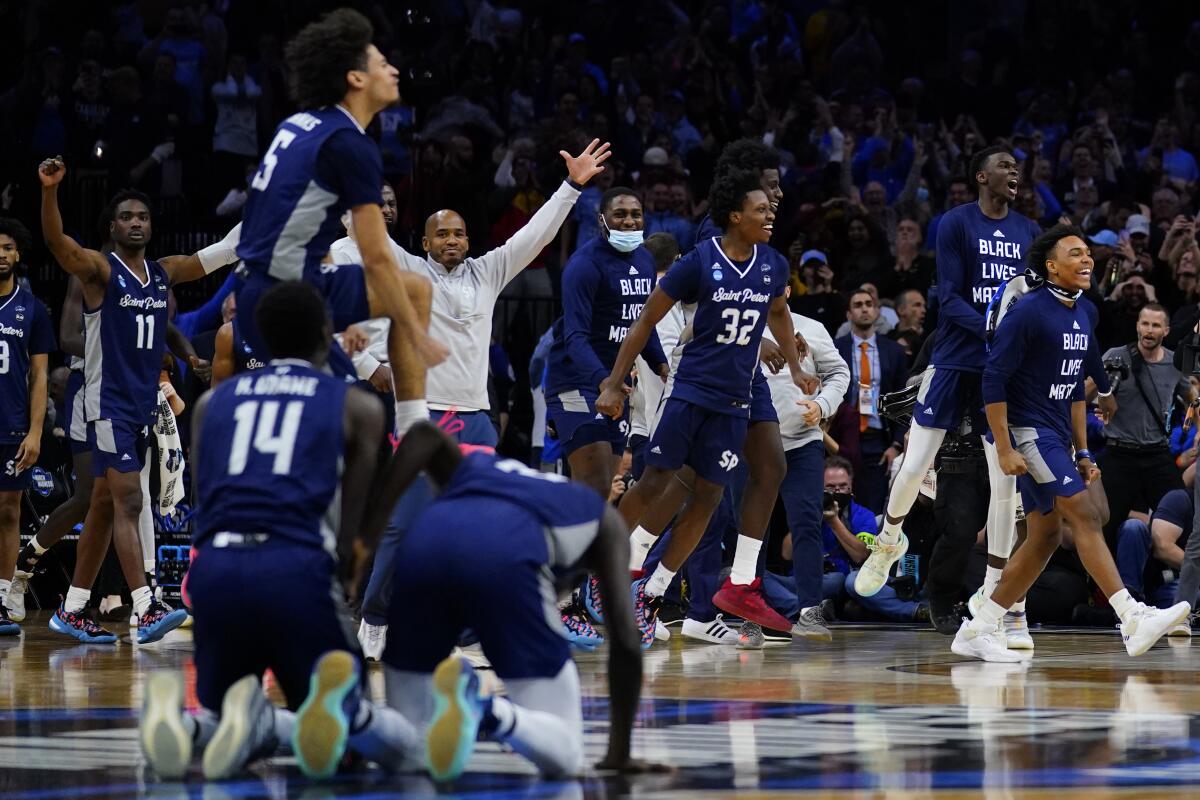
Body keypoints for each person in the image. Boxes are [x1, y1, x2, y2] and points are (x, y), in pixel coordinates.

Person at [338, 139, 611, 657]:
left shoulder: (488, 272)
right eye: (442, 233)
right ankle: (375, 619)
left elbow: (535, 236)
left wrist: (571, 187)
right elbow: (371, 236)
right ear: (423, 242)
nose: (453, 240)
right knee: (403, 528)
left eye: (460, 233)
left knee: (476, 532)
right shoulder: (408, 270)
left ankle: (466, 632)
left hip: (477, 421)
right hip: (423, 418)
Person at [139, 281, 417, 781]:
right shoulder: (355, 406)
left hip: (217, 574)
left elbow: (207, 495)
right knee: (349, 742)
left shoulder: (210, 405)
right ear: (327, 335)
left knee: (229, 722)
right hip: (294, 568)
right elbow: (356, 520)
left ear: (258, 339)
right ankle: (335, 714)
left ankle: (192, 728)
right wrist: (350, 574)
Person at [359, 421, 657, 779]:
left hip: (426, 542)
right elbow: (626, 640)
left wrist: (367, 536)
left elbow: (422, 436)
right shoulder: (605, 523)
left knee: (411, 747)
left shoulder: (486, 466)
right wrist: (619, 753)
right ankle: (485, 708)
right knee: (564, 755)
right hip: (507, 553)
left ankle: (355, 716)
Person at [953, 224, 1190, 663]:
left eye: (1088, 254)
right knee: (1084, 513)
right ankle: (1131, 616)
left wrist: (1082, 450)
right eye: (1075, 253)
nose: (1086, 260)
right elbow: (993, 379)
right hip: (1027, 433)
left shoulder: (1084, 312)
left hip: (1057, 432)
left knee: (1043, 538)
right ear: (1051, 266)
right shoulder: (1026, 312)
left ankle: (978, 628)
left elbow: (1076, 389)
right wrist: (1004, 447)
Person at [595, 168, 810, 646]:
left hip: (734, 401)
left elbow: (778, 311)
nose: (770, 213)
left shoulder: (773, 262)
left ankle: (649, 596)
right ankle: (611, 569)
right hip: (691, 390)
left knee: (711, 499)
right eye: (760, 208)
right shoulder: (699, 261)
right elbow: (645, 320)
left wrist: (795, 367)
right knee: (655, 482)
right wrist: (613, 383)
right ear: (735, 216)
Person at [233, 8, 445, 439]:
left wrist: (347, 315)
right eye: (383, 63)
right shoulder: (350, 144)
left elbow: (302, 222)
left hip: (277, 282)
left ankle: (412, 434)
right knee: (341, 423)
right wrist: (416, 336)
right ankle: (412, 438)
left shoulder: (299, 124)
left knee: (416, 288)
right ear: (356, 78)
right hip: (285, 298)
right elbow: (378, 258)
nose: (394, 69)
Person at [854, 146, 1041, 629]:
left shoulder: (1028, 232)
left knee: (1006, 480)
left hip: (1001, 370)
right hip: (957, 358)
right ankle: (889, 540)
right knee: (914, 465)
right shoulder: (956, 223)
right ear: (981, 175)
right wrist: (992, 327)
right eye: (1004, 165)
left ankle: (996, 588)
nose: (1013, 171)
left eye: (1017, 167)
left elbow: (1034, 298)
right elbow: (951, 299)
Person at [39, 160, 216, 644]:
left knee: (99, 504)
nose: (136, 222)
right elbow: (57, 243)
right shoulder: (99, 270)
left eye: (143, 216)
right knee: (129, 500)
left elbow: (218, 255)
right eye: (126, 217)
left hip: (141, 406)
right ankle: (146, 604)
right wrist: (50, 191)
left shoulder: (163, 274)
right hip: (106, 405)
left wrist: (267, 214)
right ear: (112, 227)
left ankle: (72, 608)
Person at [546, 185, 668, 499]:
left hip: (618, 382)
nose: (629, 221)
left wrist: (661, 365)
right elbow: (575, 336)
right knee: (594, 484)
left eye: (635, 214)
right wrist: (605, 382)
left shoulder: (644, 261)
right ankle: (565, 546)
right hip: (577, 380)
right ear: (602, 220)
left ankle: (585, 547)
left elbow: (643, 325)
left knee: (603, 492)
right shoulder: (584, 265)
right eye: (620, 214)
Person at [762, 295, 850, 637]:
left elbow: (839, 373)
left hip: (802, 440)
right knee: (751, 530)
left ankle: (810, 610)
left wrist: (823, 406)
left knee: (807, 522)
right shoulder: (742, 326)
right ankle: (754, 612)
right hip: (753, 441)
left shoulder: (811, 328)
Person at [1089, 305, 1192, 552]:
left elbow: (1193, 398)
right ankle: (1097, 588)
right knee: (1103, 526)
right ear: (1137, 326)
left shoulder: (1174, 363)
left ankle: (1180, 580)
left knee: (1183, 517)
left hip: (1157, 454)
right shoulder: (1116, 354)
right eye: (1145, 323)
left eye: (1156, 325)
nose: (1149, 330)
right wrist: (1100, 377)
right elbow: (1082, 398)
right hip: (1119, 454)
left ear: (1165, 330)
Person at [0, 218, 53, 634]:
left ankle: (2, 597)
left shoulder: (33, 309)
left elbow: (39, 377)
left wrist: (35, 432)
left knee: (8, 510)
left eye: (7, 247)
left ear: (18, 254)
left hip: (12, 425)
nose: (1, 253)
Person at [832, 288, 909, 514]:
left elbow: (902, 399)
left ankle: (870, 547)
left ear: (876, 311)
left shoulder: (893, 351)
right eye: (857, 305)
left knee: (875, 503)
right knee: (842, 499)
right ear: (848, 314)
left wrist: (896, 445)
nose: (864, 308)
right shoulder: (836, 349)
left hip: (879, 438)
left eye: (869, 304)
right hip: (844, 436)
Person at [1116, 487, 1191, 613]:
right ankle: (1128, 604)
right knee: (1133, 527)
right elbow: (1163, 547)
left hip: (1175, 588)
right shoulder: (1181, 499)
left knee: (1188, 596)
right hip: (1151, 577)